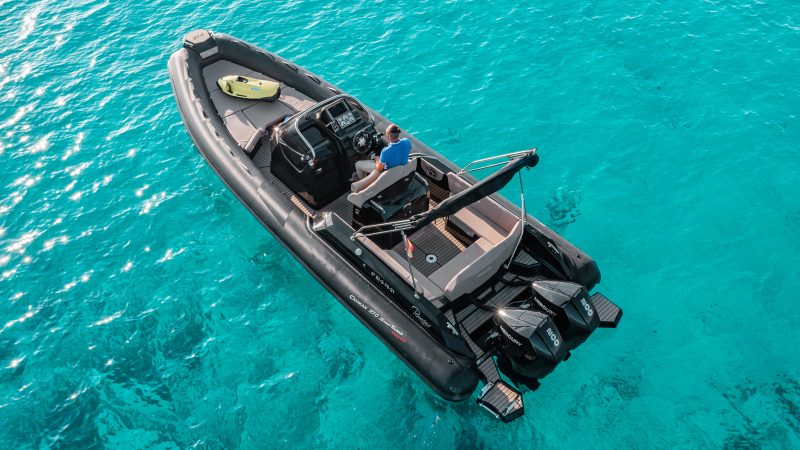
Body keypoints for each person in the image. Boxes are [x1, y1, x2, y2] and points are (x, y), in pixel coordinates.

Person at [352, 124, 411, 192]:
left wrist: (377, 159)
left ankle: (364, 184)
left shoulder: (386, 151)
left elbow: (379, 169)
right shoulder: (406, 141)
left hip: (386, 172)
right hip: (399, 168)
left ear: (389, 135)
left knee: (358, 164)